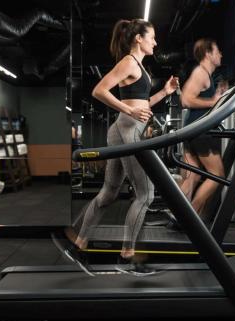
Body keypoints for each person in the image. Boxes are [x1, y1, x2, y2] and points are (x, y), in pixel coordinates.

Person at [64, 18, 179, 272]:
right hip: (128, 132)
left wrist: (165, 93)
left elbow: (142, 103)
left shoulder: (139, 66)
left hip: (121, 129)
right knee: (145, 194)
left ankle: (78, 246)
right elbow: (99, 90)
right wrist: (129, 110)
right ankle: (127, 256)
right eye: (152, 37)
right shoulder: (128, 61)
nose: (156, 42)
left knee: (109, 193)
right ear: (139, 38)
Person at [179, 38, 227, 219]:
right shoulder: (201, 73)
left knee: (193, 177)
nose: (220, 54)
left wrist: (216, 96)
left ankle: (179, 215)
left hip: (194, 129)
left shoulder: (206, 75)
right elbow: (185, 99)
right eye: (217, 51)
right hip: (201, 132)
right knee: (217, 175)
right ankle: (190, 217)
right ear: (208, 54)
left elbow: (202, 100)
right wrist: (213, 101)